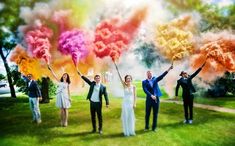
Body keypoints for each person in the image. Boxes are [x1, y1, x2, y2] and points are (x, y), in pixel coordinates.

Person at [142, 64, 173, 132]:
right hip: (149, 100)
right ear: (147, 74)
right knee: (147, 114)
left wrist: (169, 69)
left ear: (152, 74)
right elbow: (145, 90)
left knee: (155, 114)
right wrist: (151, 95)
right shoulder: (144, 82)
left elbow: (162, 76)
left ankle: (154, 128)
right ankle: (146, 127)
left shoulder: (155, 79)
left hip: (156, 99)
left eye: (150, 73)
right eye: (148, 73)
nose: (149, 74)